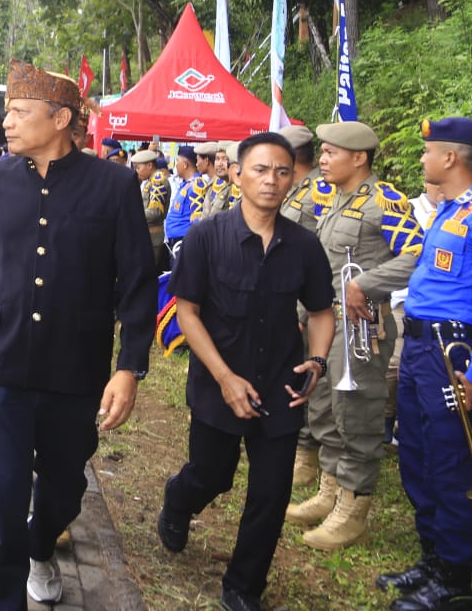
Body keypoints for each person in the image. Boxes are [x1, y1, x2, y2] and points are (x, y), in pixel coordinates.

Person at [0, 60, 153, 610]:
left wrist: (129, 367)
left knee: (63, 489)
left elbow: (137, 282)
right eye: (7, 112)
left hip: (73, 370)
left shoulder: (114, 184)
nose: (4, 123)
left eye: (18, 112)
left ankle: (42, 540)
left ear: (59, 119)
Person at [157, 132, 335, 611]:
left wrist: (317, 359)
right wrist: (224, 377)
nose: (272, 180)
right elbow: (187, 313)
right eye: (260, 169)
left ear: (292, 179)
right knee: (212, 476)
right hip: (219, 382)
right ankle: (178, 501)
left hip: (280, 386)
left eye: (282, 171)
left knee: (271, 493)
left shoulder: (303, 246)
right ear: (237, 174)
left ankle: (242, 586)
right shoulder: (206, 236)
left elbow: (321, 311)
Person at [376, 118, 472, 611]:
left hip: (451, 352)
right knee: (416, 454)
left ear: (451, 159)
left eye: (427, 152)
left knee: (451, 460)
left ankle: (455, 577)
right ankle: (432, 561)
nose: (422, 159)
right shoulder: (448, 210)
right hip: (419, 347)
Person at [284, 122, 422, 550]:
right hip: (328, 322)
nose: (321, 160)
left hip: (362, 326)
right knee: (324, 408)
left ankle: (354, 510)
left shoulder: (385, 201)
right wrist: (306, 311)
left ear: (359, 157)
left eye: (331, 153)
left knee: (356, 415)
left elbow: (419, 253)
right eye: (321, 153)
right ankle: (330, 492)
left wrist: (370, 283)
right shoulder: (337, 200)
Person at [276, 124, 333, 486]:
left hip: (312, 305)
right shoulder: (299, 191)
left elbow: (316, 257)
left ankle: (311, 457)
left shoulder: (319, 193)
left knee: (313, 380)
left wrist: (300, 312)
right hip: (293, 300)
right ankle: (304, 453)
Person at [131, 148, 171, 269]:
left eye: (138, 168)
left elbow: (155, 212)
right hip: (148, 234)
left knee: (147, 271)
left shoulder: (158, 181)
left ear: (149, 165)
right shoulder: (150, 181)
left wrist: (133, 215)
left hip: (153, 237)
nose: (137, 171)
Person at [164, 145, 202, 252]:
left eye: (178, 162)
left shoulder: (196, 186)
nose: (176, 166)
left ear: (185, 164)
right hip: (176, 240)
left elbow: (197, 218)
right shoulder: (186, 184)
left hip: (184, 240)